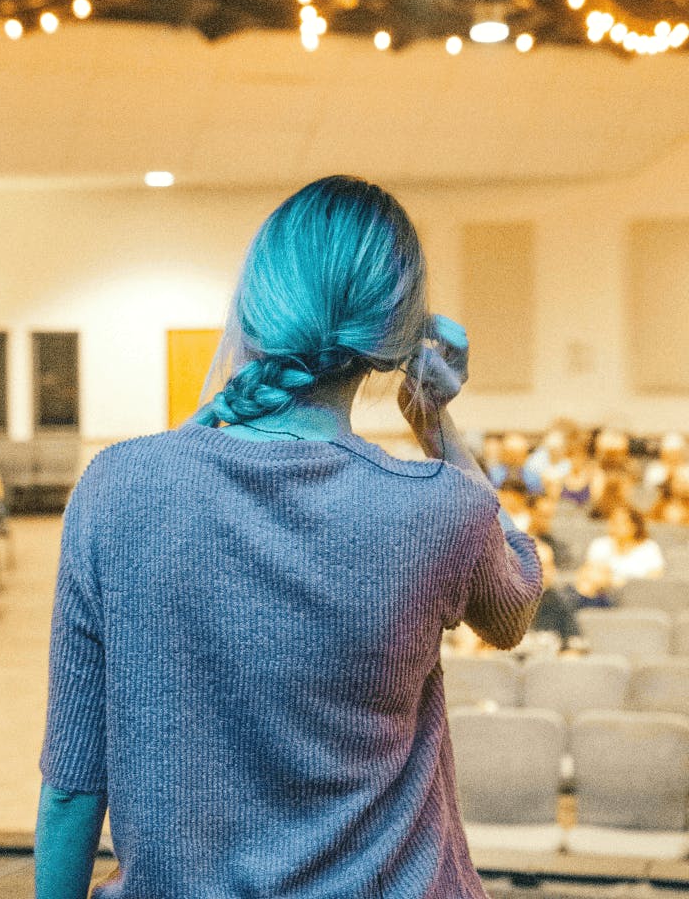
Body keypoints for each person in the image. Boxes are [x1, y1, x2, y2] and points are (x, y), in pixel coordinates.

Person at [35, 175, 543, 899]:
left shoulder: (115, 486)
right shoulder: (436, 507)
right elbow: (514, 606)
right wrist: (435, 422)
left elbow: (71, 789)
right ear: (396, 339)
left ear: (253, 305)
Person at [585, 504, 665, 588]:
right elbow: (592, 574)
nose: (615, 526)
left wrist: (629, 584)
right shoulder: (600, 545)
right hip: (606, 592)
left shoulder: (649, 548)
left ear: (634, 526)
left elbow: (655, 576)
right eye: (613, 522)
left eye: (621, 523)